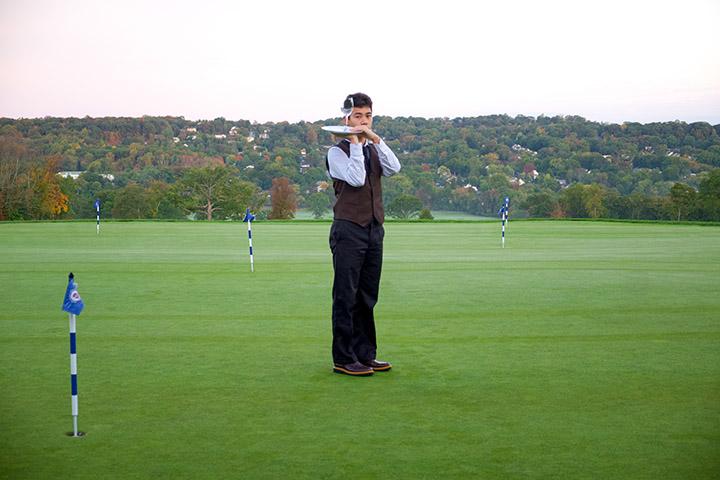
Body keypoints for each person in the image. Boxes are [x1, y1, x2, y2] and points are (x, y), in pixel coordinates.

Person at [326, 92, 401, 376]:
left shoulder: (372, 149)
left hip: (373, 229)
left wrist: (375, 139)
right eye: (358, 116)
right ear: (345, 118)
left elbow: (394, 167)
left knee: (368, 296)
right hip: (347, 230)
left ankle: (366, 354)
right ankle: (344, 358)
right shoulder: (336, 153)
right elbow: (356, 179)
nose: (363, 121)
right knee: (346, 295)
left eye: (367, 116)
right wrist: (357, 142)